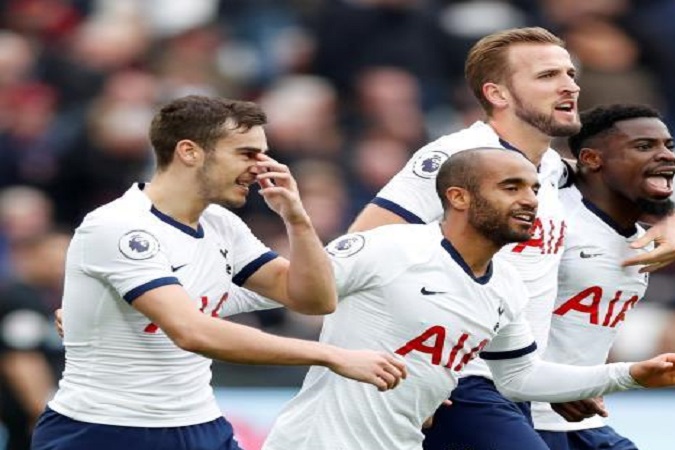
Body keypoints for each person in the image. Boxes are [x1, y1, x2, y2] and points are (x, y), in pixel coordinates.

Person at [348, 27, 675, 449]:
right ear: (498, 94)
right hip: (459, 379)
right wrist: (402, 369)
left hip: (518, 380)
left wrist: (670, 216)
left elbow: (622, 179)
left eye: (570, 74)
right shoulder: (458, 158)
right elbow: (358, 254)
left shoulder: (551, 170)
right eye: (547, 76)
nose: (570, 86)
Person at [262, 148, 675, 450]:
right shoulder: (389, 248)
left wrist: (629, 374)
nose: (530, 201)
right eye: (511, 188)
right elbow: (286, 292)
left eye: (534, 189)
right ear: (458, 197)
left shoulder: (504, 284)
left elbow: (519, 377)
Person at [30, 95, 407, 450]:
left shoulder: (221, 225)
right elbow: (192, 331)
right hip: (105, 429)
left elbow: (315, 299)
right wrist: (331, 355)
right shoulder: (119, 228)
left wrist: (297, 220)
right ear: (189, 152)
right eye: (247, 153)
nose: (261, 166)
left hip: (200, 424)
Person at [533, 104, 675, 450]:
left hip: (581, 418)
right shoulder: (549, 217)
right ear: (591, 159)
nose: (667, 155)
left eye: (669, 146)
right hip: (520, 411)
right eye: (644, 146)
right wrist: (546, 385)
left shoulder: (645, 241)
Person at [0, 231, 68, 450]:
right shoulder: (20, 299)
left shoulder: (48, 296)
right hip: (29, 420)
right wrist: (43, 414)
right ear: (31, 256)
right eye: (52, 258)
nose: (60, 266)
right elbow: (21, 360)